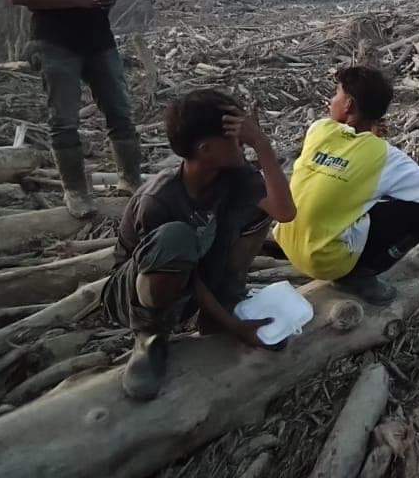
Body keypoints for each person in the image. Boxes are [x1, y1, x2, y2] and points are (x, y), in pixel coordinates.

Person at [102, 89, 297, 400]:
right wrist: (232, 326)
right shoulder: (159, 199)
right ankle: (151, 338)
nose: (244, 142)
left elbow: (284, 212)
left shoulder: (233, 175)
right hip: (138, 293)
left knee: (254, 209)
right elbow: (186, 275)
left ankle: (227, 296)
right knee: (175, 237)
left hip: (197, 269)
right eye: (236, 138)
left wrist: (263, 146)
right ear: (206, 149)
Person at [0, 0, 143, 218]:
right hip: (55, 42)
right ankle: (76, 192)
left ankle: (131, 181)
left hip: (100, 40)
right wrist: (76, 1)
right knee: (63, 121)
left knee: (121, 115)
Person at [275, 65, 419, 304]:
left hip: (288, 242)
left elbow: (349, 149)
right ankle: (360, 274)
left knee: (360, 191)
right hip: (325, 262)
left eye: (335, 95)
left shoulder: (318, 130)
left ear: (348, 105)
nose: (332, 101)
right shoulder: (383, 156)